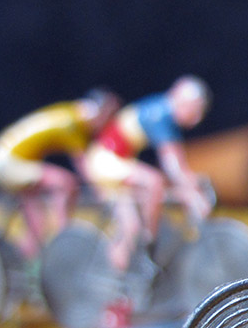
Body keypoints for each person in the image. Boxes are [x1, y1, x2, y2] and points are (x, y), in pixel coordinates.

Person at [82, 75, 212, 272]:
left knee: (130, 228)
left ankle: (119, 275)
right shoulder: (161, 114)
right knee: (154, 181)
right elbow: (173, 165)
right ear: (183, 102)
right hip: (106, 162)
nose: (197, 118)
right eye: (195, 110)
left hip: (113, 162)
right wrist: (192, 191)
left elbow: (175, 166)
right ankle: (149, 241)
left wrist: (188, 183)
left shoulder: (162, 110)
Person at [0, 90, 120, 258]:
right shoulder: (73, 123)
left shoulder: (70, 112)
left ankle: (26, 260)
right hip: (7, 162)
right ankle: (63, 235)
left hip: (2, 158)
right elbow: (84, 166)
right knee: (65, 182)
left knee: (37, 224)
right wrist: (103, 193)